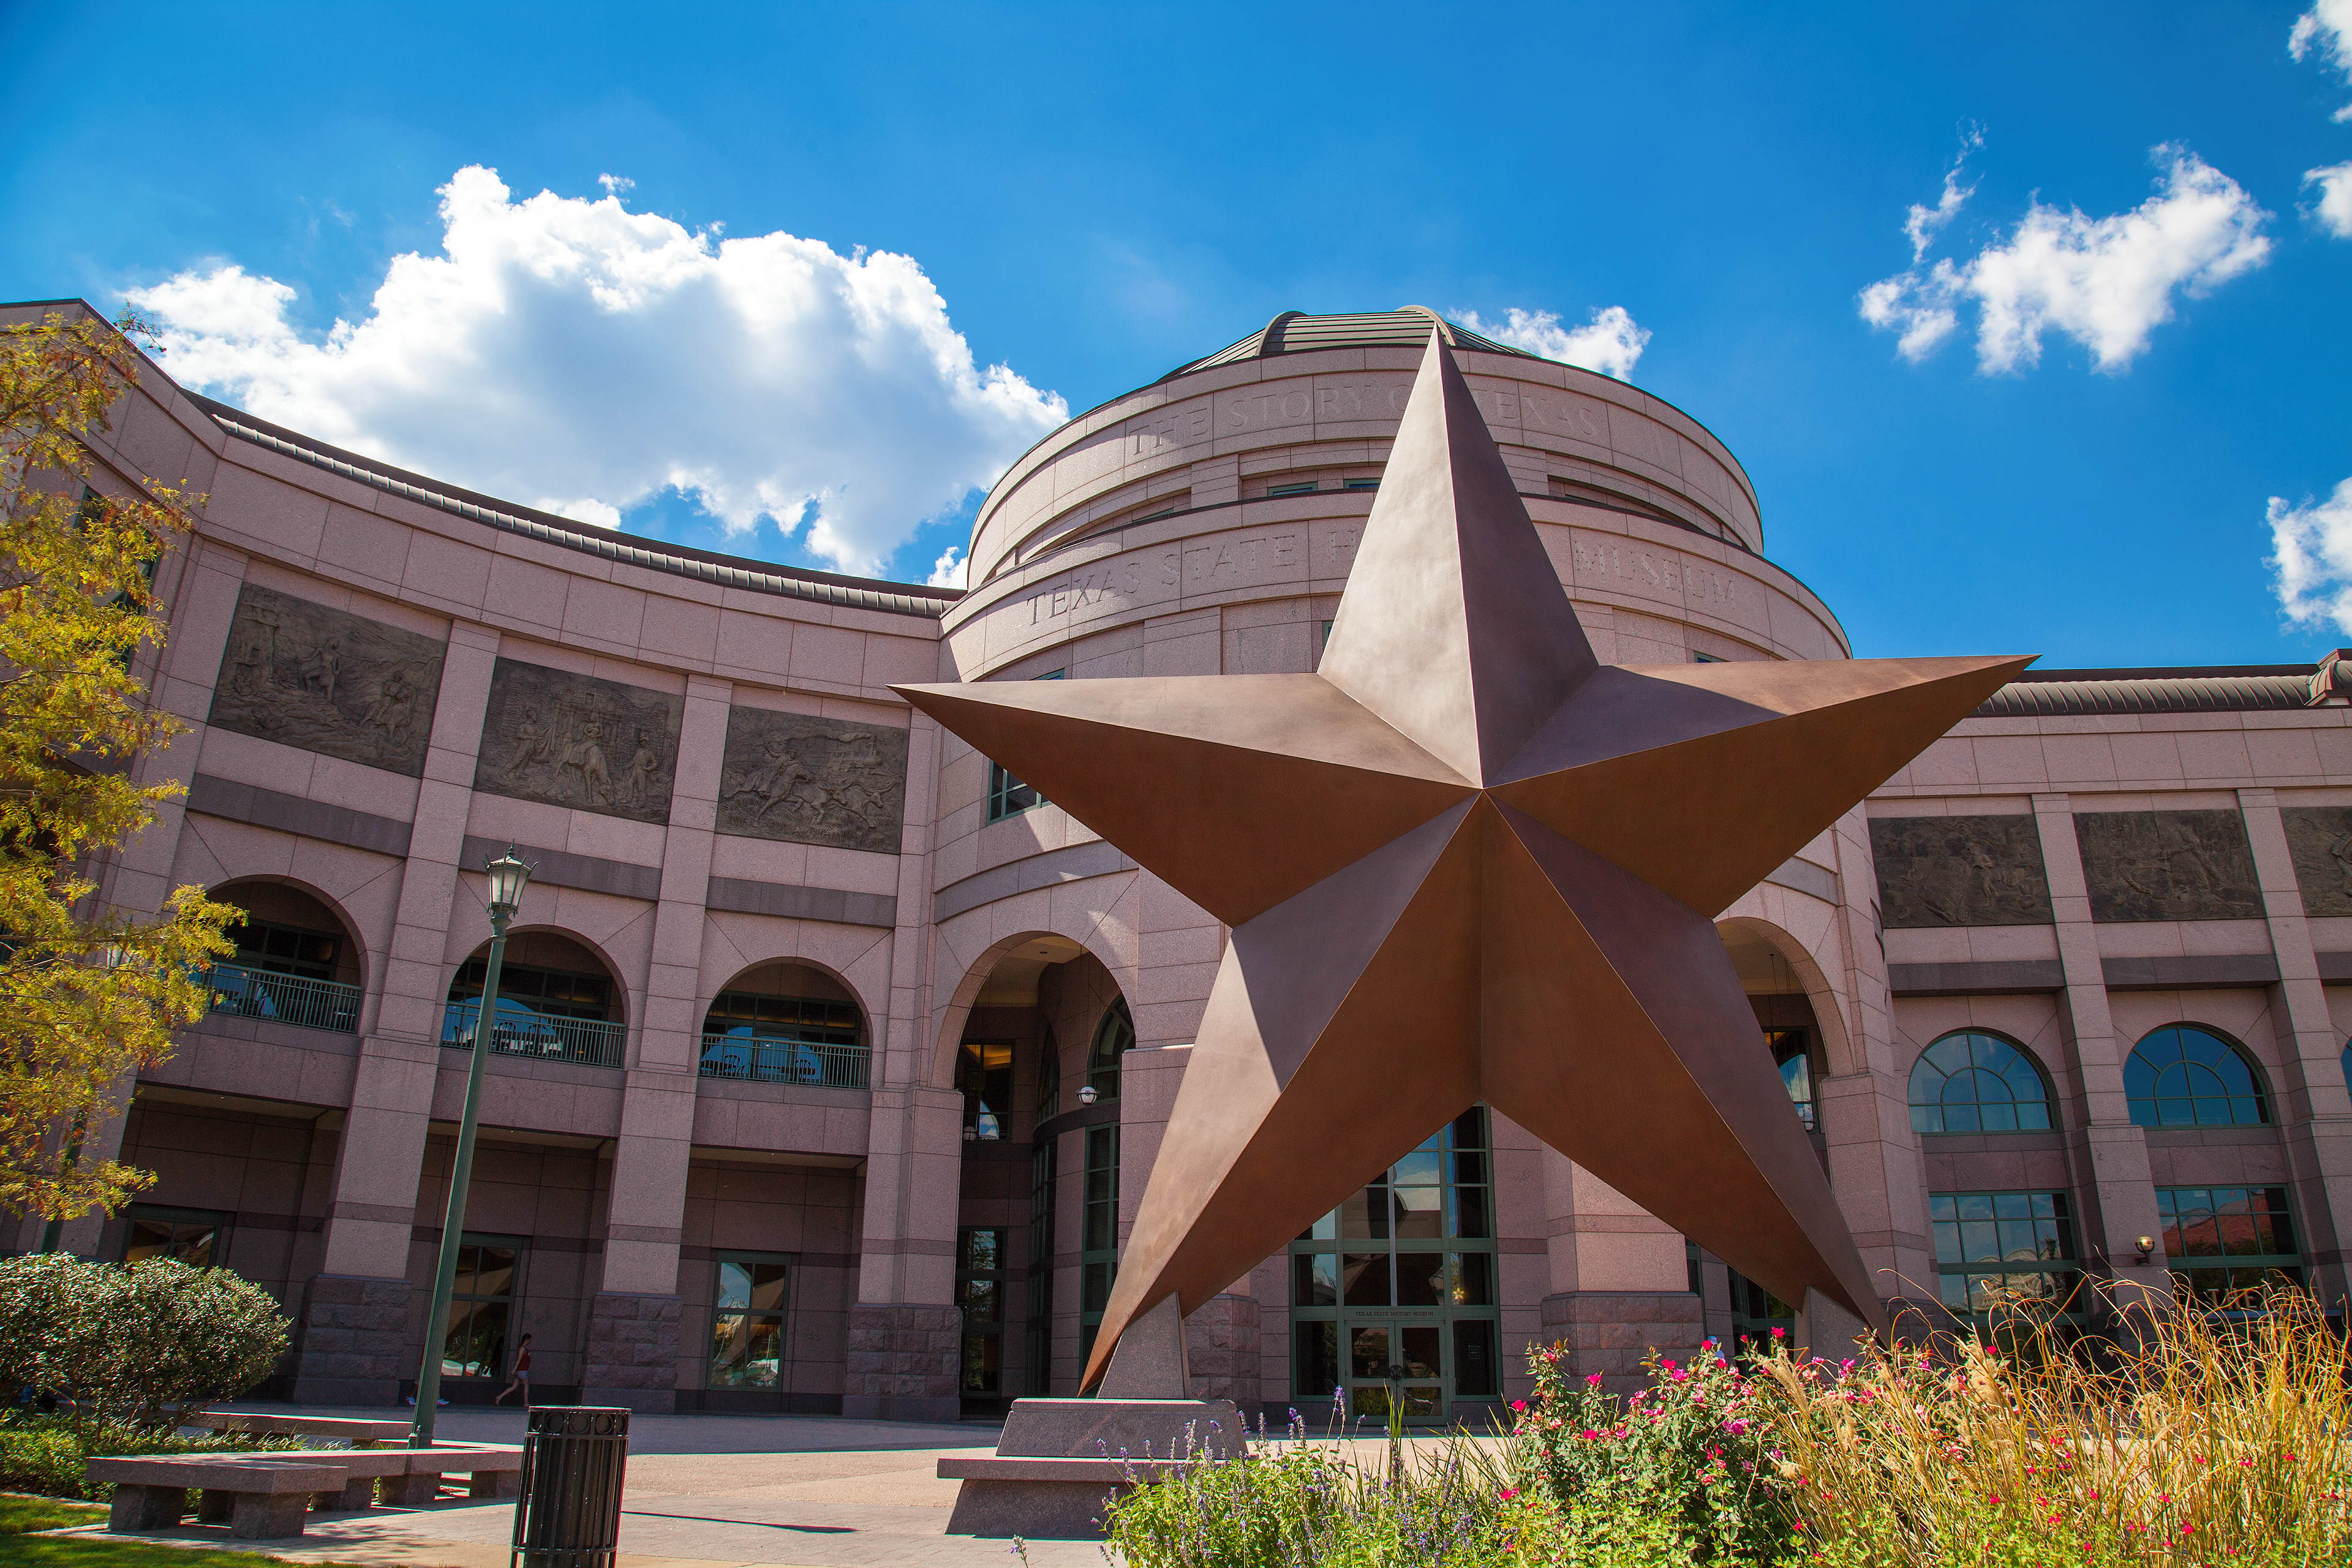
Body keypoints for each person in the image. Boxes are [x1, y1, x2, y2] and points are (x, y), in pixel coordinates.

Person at [494, 1333, 533, 1406]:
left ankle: (499, 1397)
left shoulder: (523, 1348)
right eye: (529, 1340)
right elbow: (519, 1360)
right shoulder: (523, 1349)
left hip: (520, 1370)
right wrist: (514, 1369)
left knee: (514, 1387)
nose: (530, 1341)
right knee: (526, 1386)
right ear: (526, 1340)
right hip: (523, 1370)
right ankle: (526, 1402)